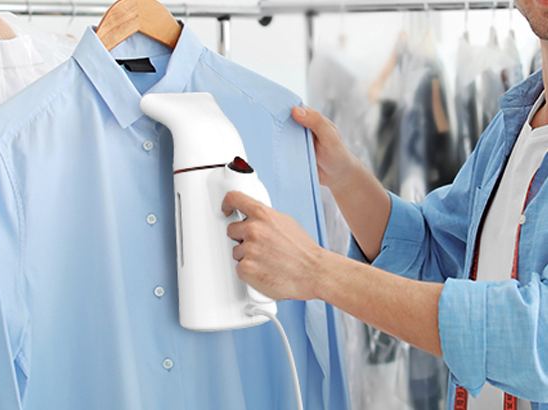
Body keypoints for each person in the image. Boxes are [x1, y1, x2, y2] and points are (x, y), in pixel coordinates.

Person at [221, 1, 548, 409]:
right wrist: (346, 178)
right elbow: (439, 254)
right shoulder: (515, 124)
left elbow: (534, 338)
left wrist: (317, 271)